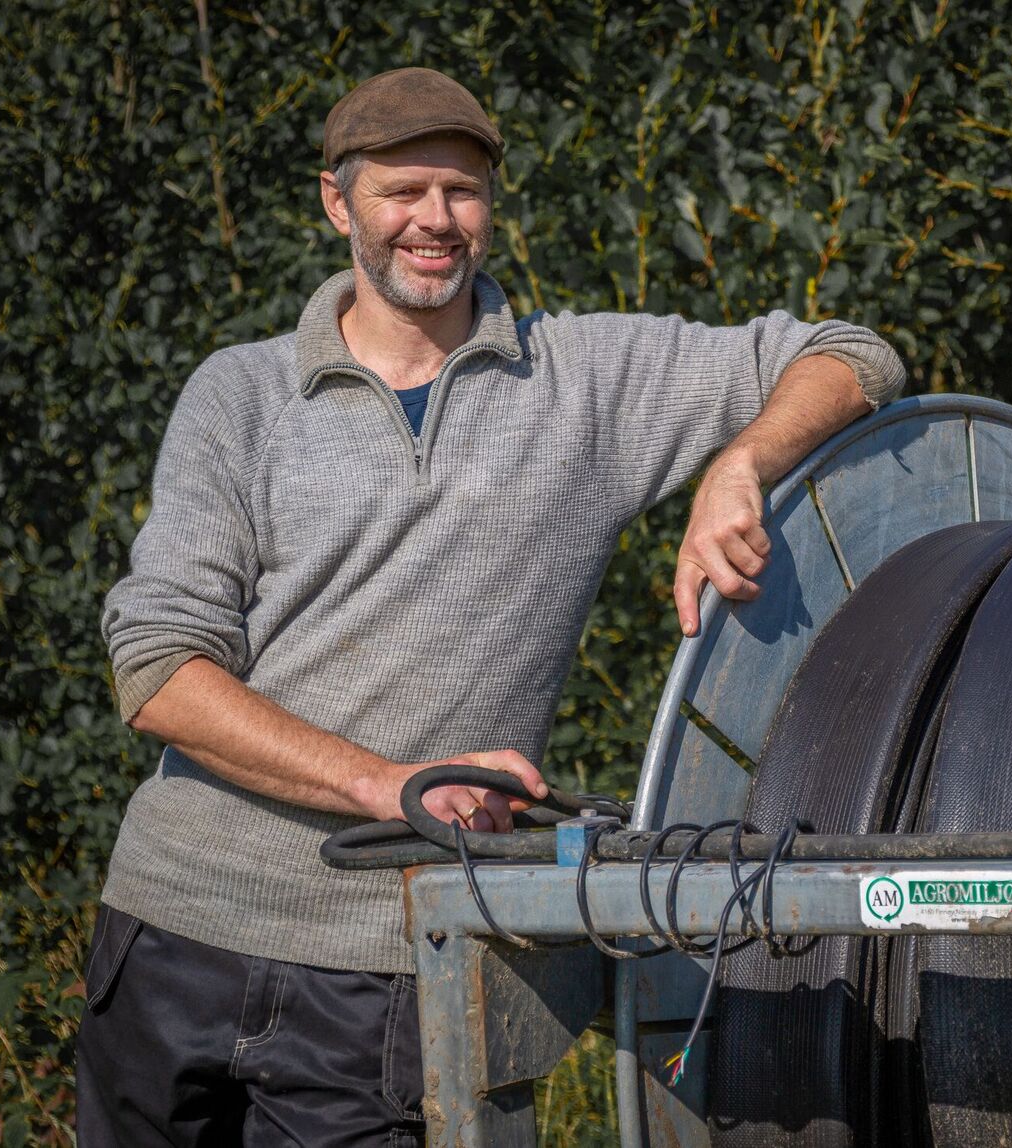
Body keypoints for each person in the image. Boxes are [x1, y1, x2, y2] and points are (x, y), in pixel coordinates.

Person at [78, 67, 903, 1144]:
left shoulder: (585, 380)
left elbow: (852, 354)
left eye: (460, 192)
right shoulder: (239, 394)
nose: (433, 220)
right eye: (400, 191)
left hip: (391, 960)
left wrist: (739, 461)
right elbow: (155, 670)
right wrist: (390, 784)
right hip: (170, 927)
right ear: (338, 203)